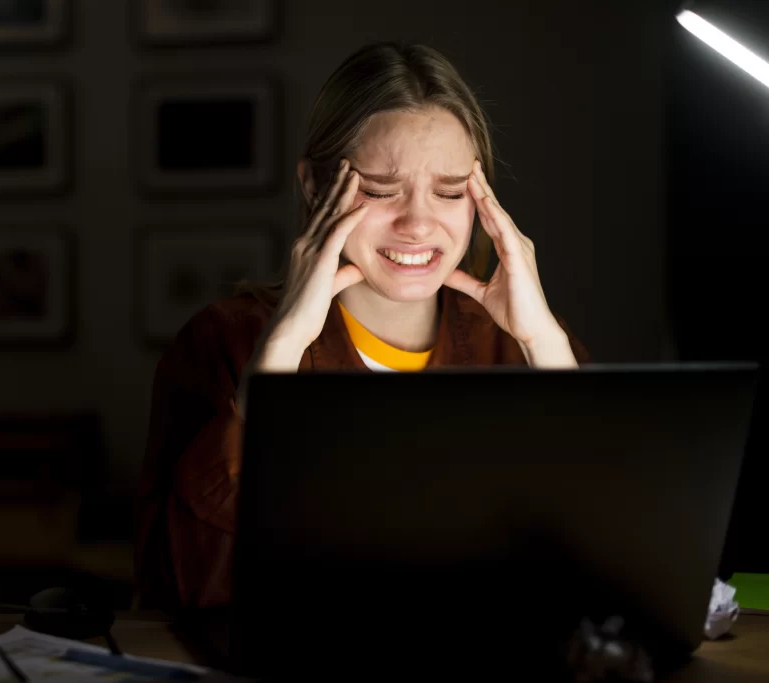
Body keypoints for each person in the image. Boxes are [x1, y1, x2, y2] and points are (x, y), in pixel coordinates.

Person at [134, 42, 589, 610]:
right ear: (314, 186)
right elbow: (182, 587)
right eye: (379, 190)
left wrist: (542, 341)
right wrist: (279, 355)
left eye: (449, 192)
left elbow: (607, 561)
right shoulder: (223, 343)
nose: (418, 223)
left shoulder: (519, 345)